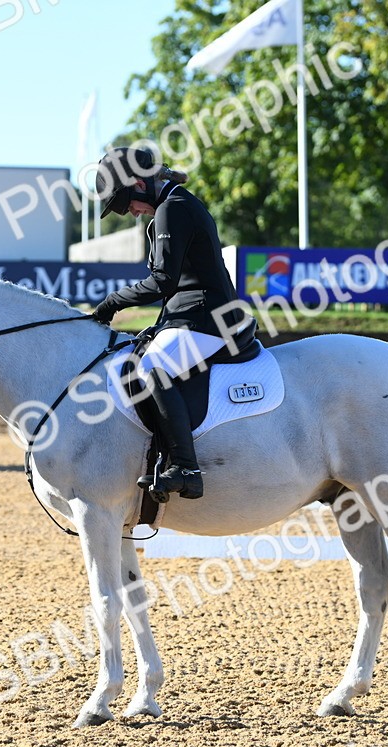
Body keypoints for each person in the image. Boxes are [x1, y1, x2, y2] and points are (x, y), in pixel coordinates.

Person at [91, 147, 248, 503]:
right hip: (189, 314)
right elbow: (175, 288)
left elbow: (163, 280)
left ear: (138, 183)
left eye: (125, 202)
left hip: (209, 318)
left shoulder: (172, 209)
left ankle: (187, 468)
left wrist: (113, 301)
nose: (128, 211)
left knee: (152, 368)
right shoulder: (170, 206)